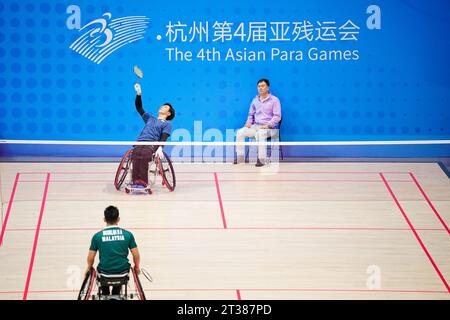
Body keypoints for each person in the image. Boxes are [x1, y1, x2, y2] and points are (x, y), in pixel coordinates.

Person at [84, 206, 140, 295]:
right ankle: (115, 294)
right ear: (118, 219)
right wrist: (136, 267)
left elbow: (91, 258)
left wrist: (88, 268)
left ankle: (105, 294)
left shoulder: (97, 236)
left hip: (104, 273)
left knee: (103, 280)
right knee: (118, 280)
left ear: (104, 219)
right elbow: (136, 255)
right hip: (122, 273)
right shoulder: (128, 235)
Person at [132, 83, 175, 187]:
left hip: (152, 145)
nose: (162, 107)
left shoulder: (167, 124)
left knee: (143, 155)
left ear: (168, 113)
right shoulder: (150, 118)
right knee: (135, 155)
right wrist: (138, 94)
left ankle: (142, 182)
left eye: (165, 107)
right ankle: (135, 181)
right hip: (140, 142)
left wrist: (160, 147)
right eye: (162, 105)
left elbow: (164, 137)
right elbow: (139, 107)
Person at [234, 79, 282, 167]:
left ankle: (261, 159)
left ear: (268, 87)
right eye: (259, 86)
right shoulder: (255, 100)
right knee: (240, 132)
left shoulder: (275, 100)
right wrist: (248, 122)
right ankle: (240, 157)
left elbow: (277, 116)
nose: (260, 88)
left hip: (270, 129)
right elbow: (250, 114)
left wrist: (267, 125)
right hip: (256, 126)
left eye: (263, 86)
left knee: (260, 134)